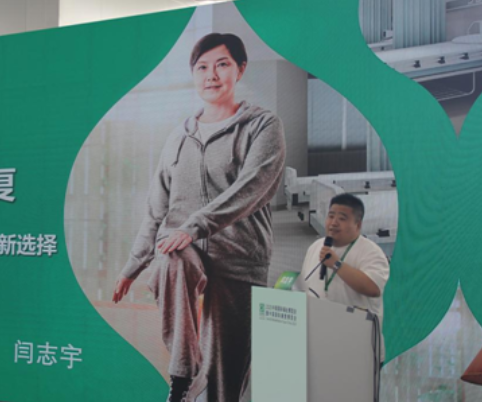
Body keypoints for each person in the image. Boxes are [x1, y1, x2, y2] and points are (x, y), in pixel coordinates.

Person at [112, 33, 285, 402]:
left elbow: (253, 186)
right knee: (171, 257)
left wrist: (196, 226)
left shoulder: (262, 126)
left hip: (240, 257)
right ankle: (181, 372)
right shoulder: (178, 137)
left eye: (222, 64)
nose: (211, 75)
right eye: (202, 67)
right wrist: (133, 265)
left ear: (240, 69)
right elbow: (157, 208)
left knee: (226, 377)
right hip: (182, 249)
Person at [296, 193, 390, 361]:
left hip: (358, 346)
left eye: (342, 218)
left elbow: (373, 288)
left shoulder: (371, 252)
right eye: (331, 216)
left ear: (358, 224)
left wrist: (336, 264)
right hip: (321, 341)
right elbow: (305, 285)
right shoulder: (316, 247)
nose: (334, 223)